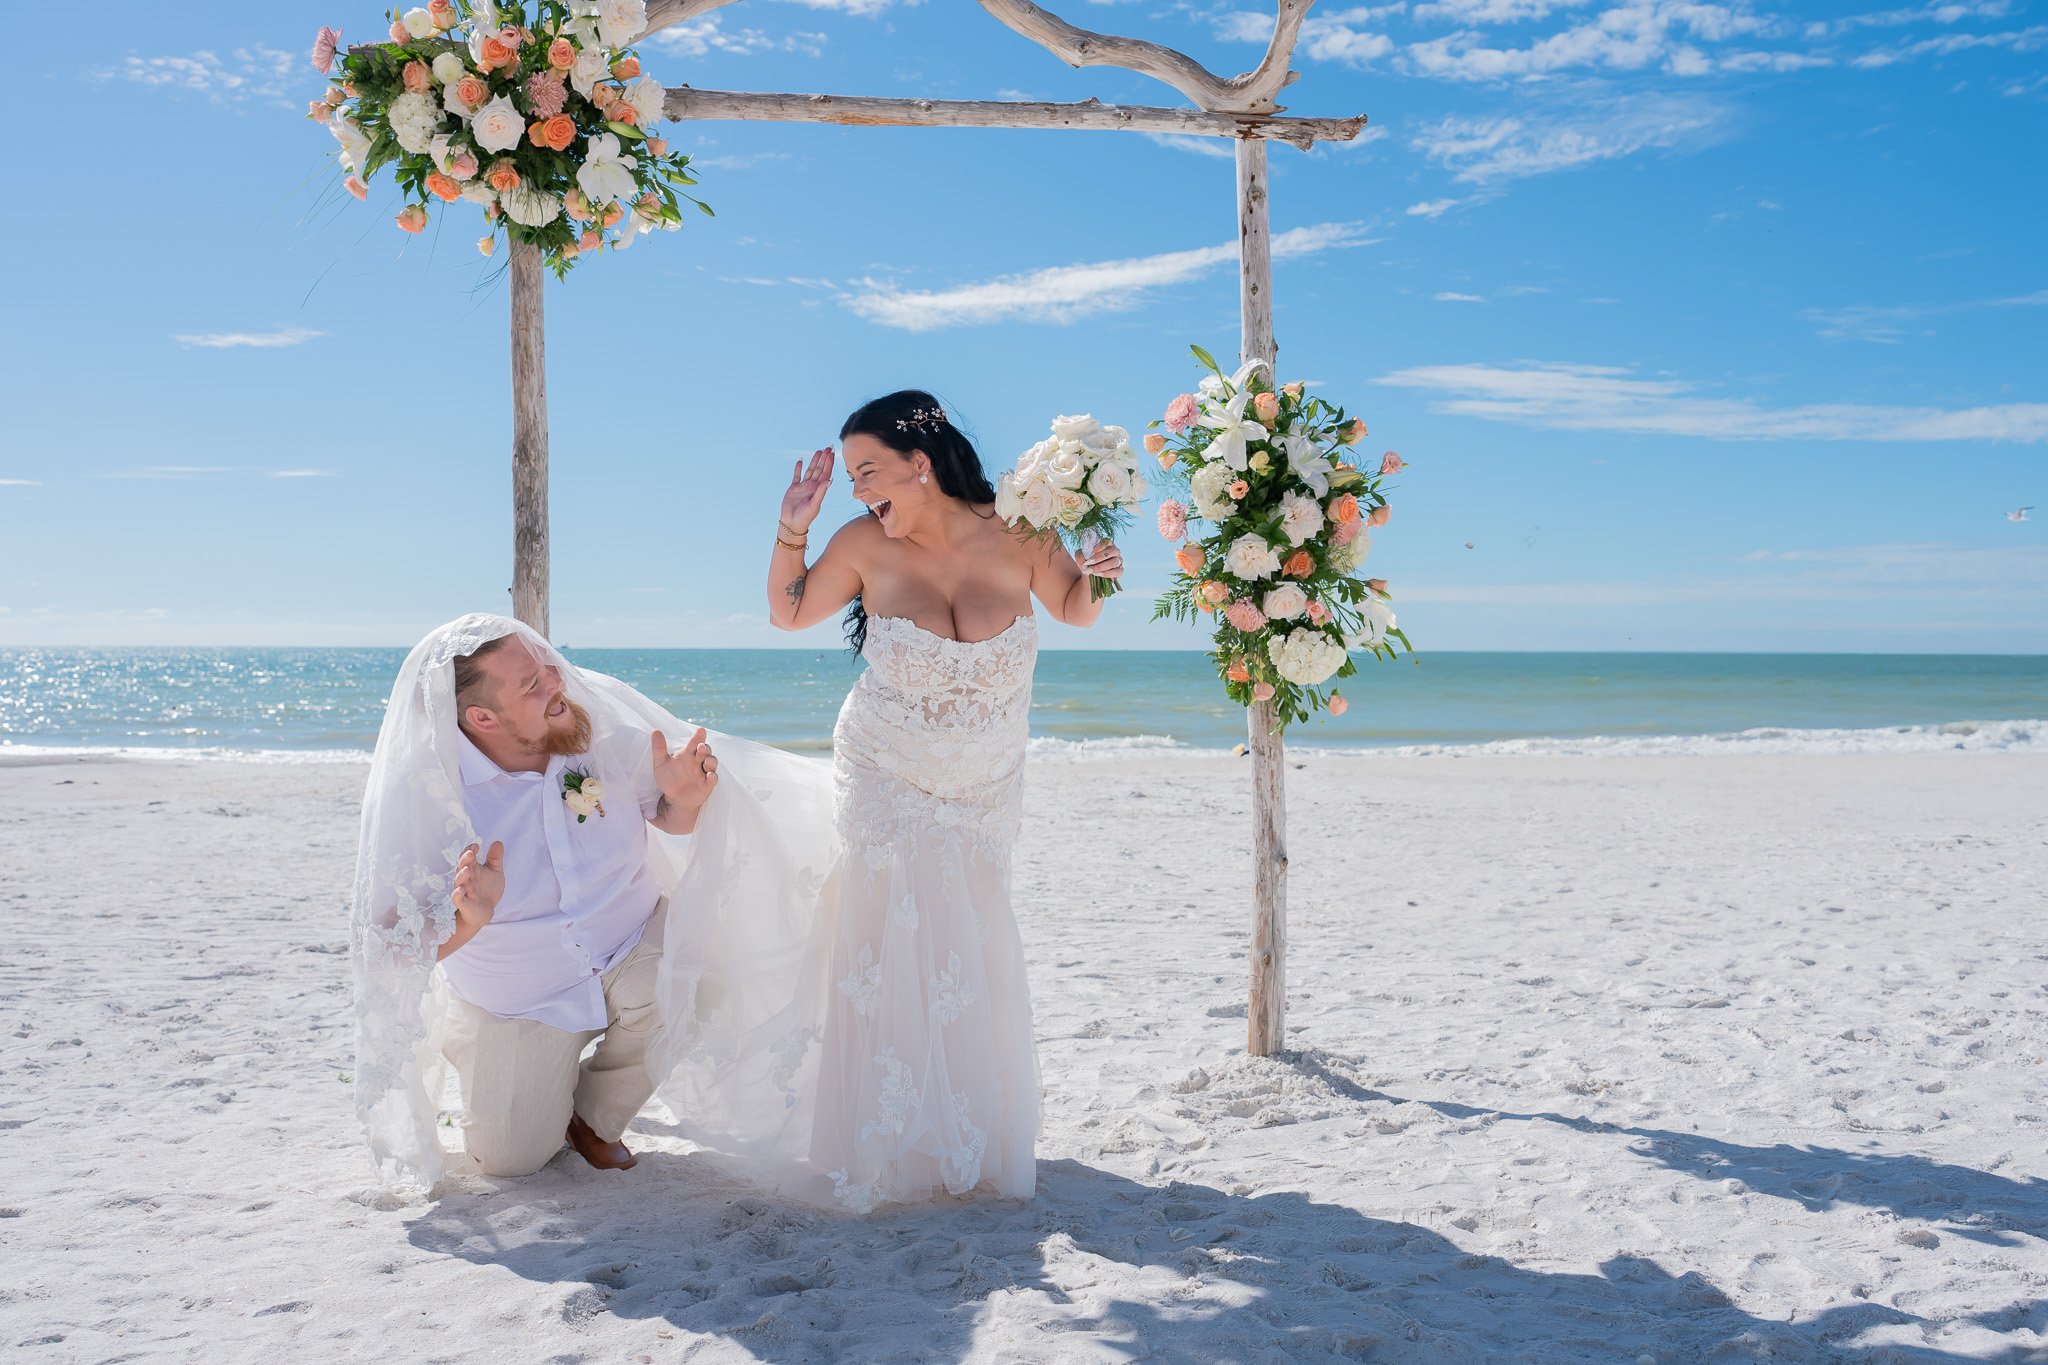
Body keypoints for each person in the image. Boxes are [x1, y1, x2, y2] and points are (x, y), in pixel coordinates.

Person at [763, 389, 1123, 1211]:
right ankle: (882, 1137)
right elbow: (787, 613)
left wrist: (1099, 576)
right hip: (886, 766)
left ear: (919, 464)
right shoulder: (861, 542)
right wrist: (795, 522)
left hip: (986, 780)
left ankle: (963, 1128)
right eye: (850, 478)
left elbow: (1073, 607)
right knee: (889, 932)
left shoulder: (1024, 529)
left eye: (866, 472)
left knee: (969, 936)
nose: (856, 491)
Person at [351, 613, 842, 1190]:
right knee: (511, 1159)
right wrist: (468, 920)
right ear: (482, 718)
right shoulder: (432, 795)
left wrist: (683, 800)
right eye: (530, 685)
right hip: (521, 997)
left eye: (546, 667)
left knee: (702, 980)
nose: (556, 683)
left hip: (629, 943)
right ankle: (490, 1051)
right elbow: (390, 946)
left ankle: (592, 1117)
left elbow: (665, 815)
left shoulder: (597, 733)